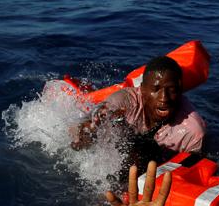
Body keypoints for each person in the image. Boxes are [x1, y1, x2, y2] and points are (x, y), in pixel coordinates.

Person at [71, 56, 206, 164]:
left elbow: (195, 168)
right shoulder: (123, 103)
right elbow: (85, 126)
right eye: (155, 89)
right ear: (142, 89)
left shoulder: (192, 131)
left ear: (180, 90)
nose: (164, 98)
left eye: (171, 90)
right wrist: (85, 134)